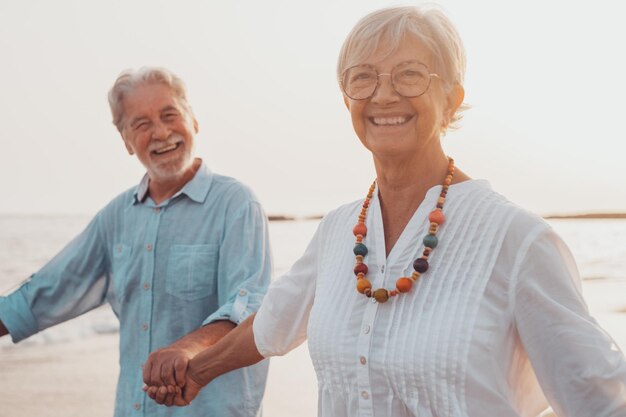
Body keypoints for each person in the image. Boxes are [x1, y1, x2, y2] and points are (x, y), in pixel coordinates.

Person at [144, 6, 626, 417]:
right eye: (363, 77)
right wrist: (196, 370)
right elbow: (274, 322)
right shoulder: (338, 231)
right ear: (347, 99)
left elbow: (601, 396)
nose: (384, 93)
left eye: (410, 74)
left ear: (451, 100)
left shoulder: (517, 240)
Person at [0, 67, 271, 417]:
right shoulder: (115, 217)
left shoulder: (236, 203)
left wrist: (186, 349)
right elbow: (46, 291)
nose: (161, 132)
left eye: (169, 115)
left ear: (194, 121)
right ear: (126, 141)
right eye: (141, 124)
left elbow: (251, 309)